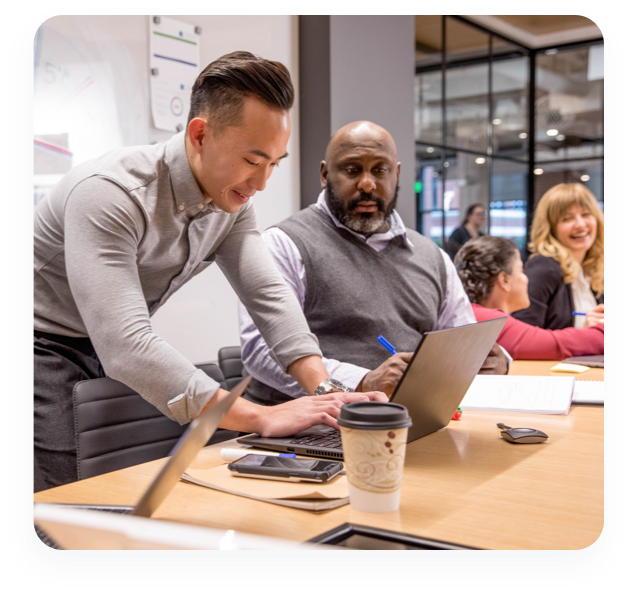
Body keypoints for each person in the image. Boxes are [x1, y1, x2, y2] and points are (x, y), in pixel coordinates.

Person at [33, 52, 385, 490]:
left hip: (101, 345)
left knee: (116, 487)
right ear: (200, 134)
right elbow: (125, 346)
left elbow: (269, 295)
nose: (261, 183)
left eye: (275, 163)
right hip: (36, 344)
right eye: (253, 161)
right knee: (62, 498)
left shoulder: (230, 203)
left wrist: (324, 390)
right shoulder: (111, 195)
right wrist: (261, 416)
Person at [238, 121, 509, 405]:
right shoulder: (282, 244)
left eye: (380, 170)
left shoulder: (433, 256)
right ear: (325, 174)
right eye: (352, 170)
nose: (368, 184)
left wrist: (494, 362)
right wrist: (361, 382)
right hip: (304, 430)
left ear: (397, 174)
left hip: (407, 422)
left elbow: (461, 343)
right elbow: (262, 351)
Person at [454, 236, 604, 360]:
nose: (527, 278)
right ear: (504, 280)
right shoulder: (486, 320)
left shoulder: (474, 315)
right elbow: (555, 345)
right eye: (521, 270)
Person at [512, 183, 604, 330]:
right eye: (567, 219)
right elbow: (522, 338)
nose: (580, 224)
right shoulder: (544, 267)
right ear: (551, 228)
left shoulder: (594, 269)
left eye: (586, 214)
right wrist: (585, 335)